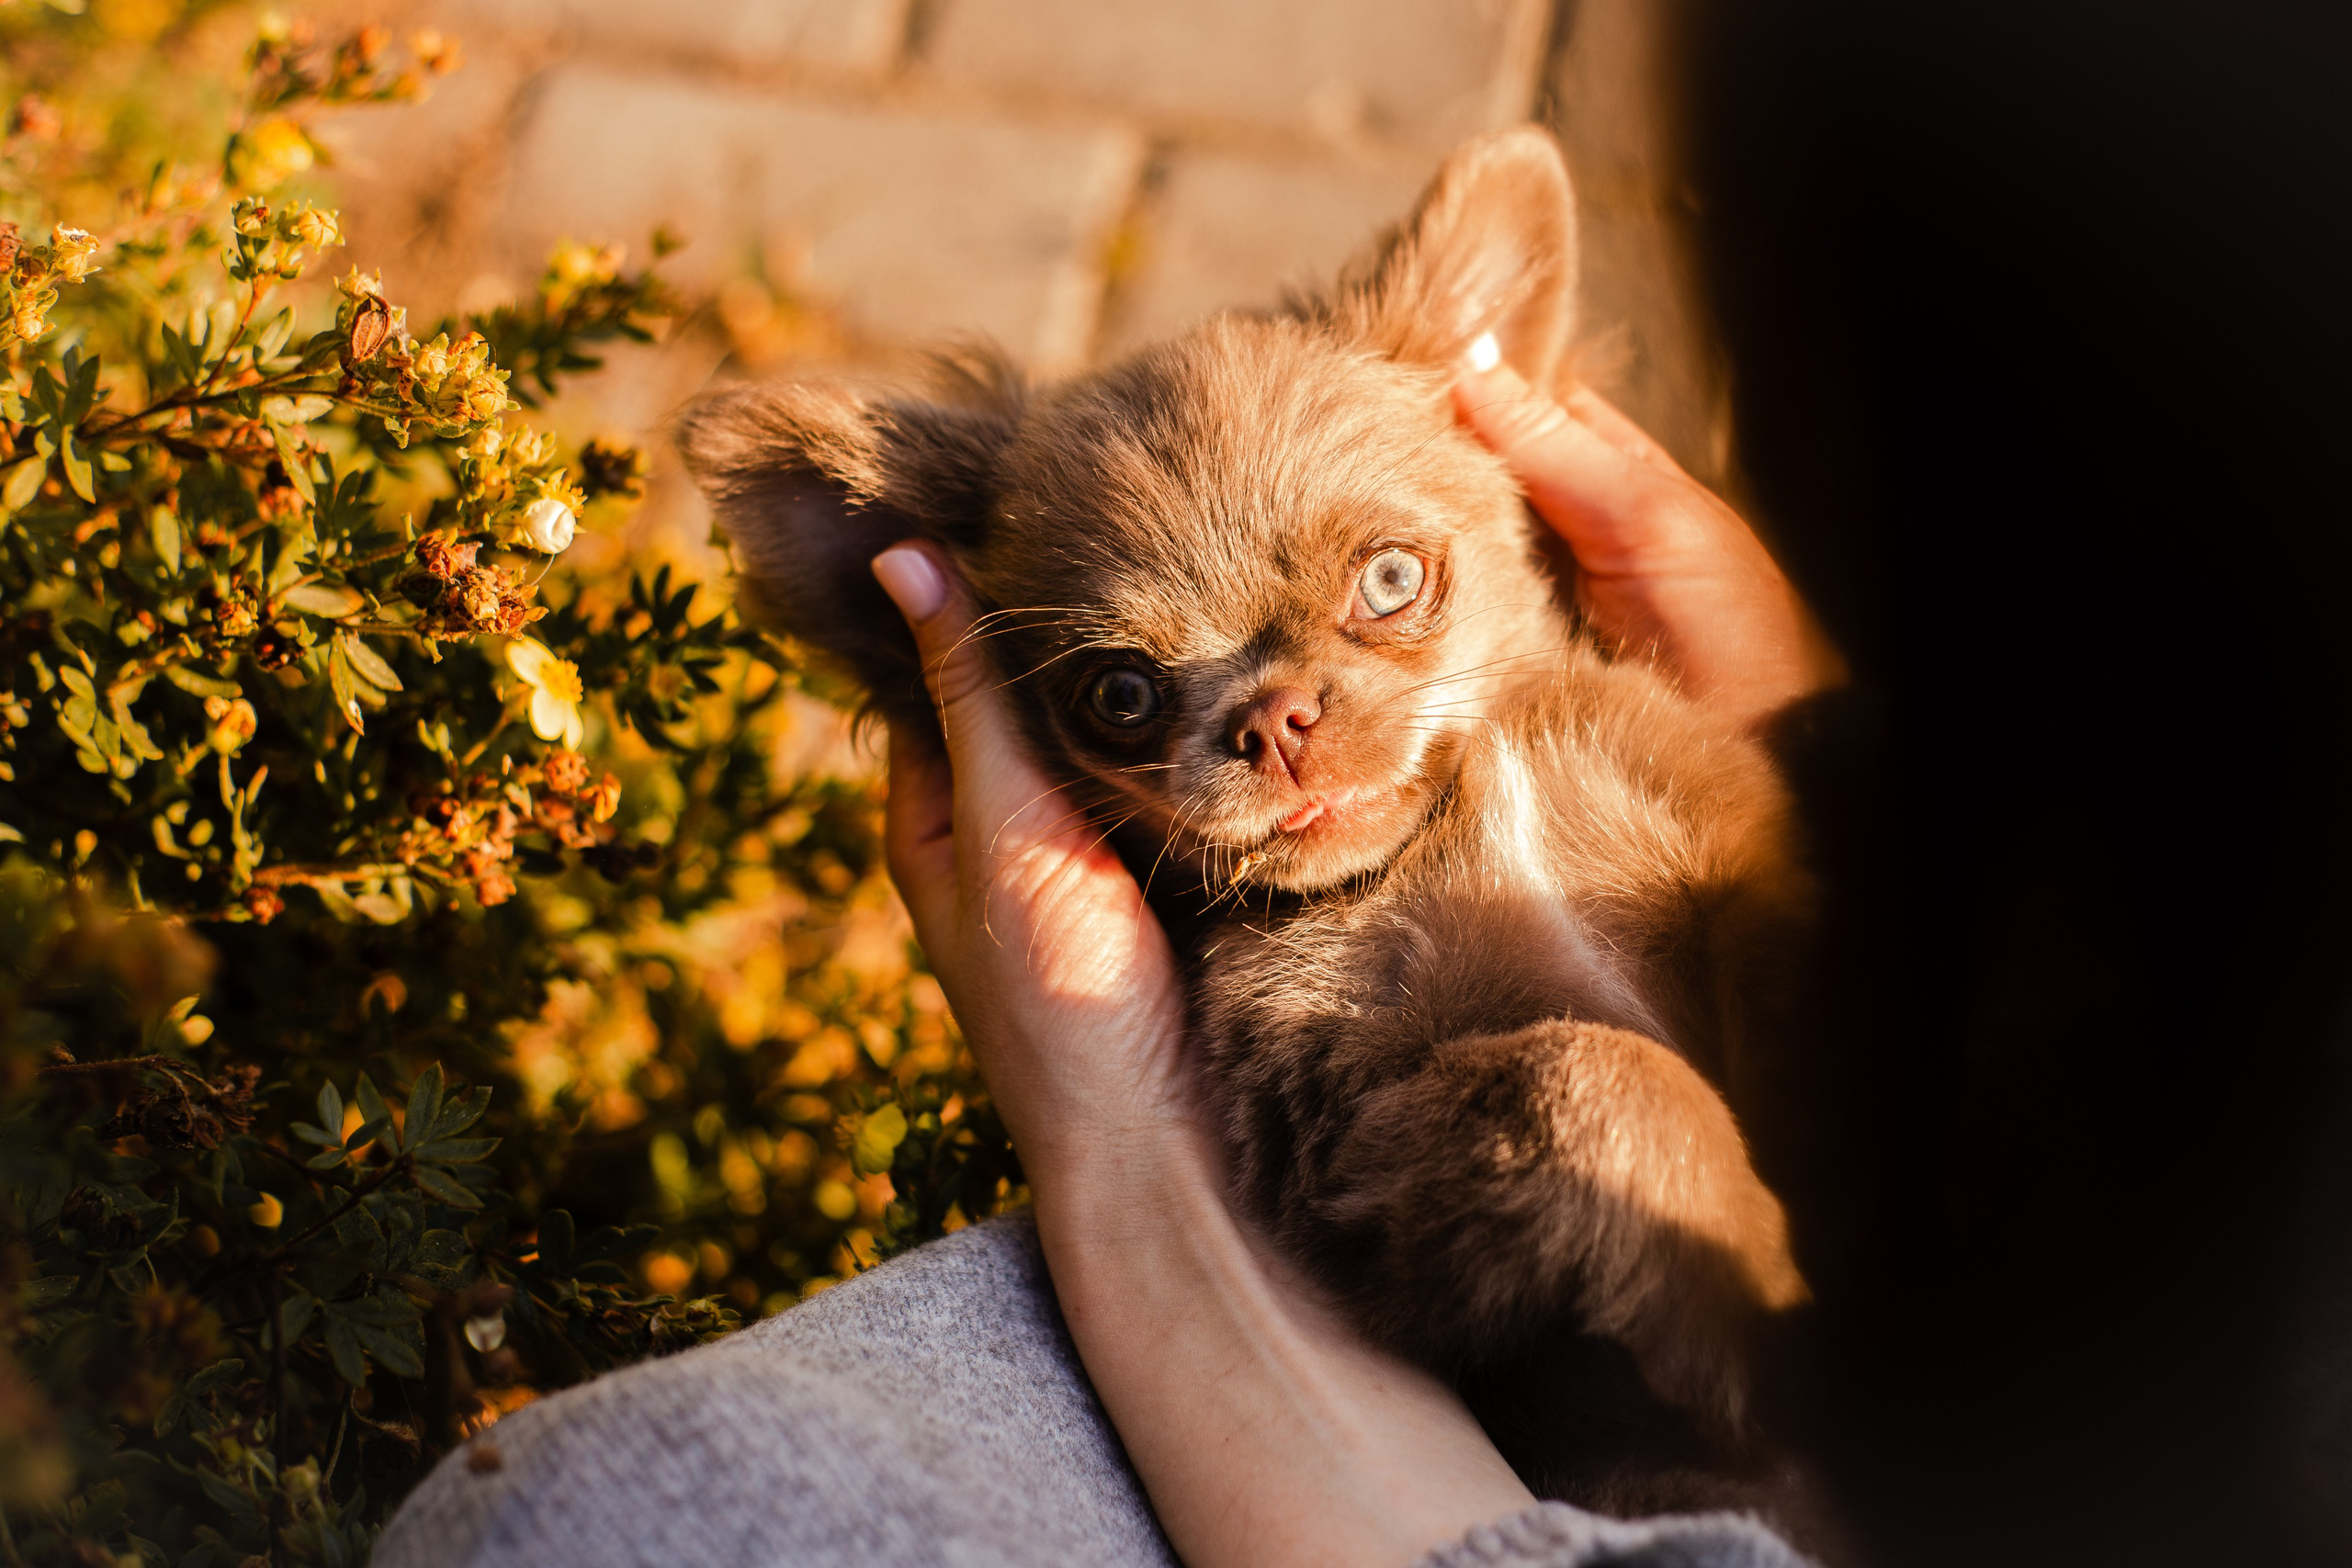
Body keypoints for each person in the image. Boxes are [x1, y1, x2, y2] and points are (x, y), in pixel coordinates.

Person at [375, 346, 1845, 1568]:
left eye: (1387, 584)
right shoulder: (1281, 957)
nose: (1282, 723)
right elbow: (1410, 1201)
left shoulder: (1635, 734)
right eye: (1129, 694)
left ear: (1494, 480)